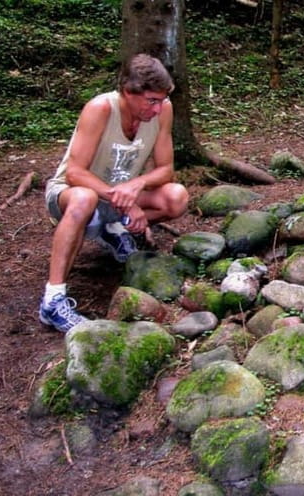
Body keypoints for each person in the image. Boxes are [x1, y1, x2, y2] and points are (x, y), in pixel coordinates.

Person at [39, 54, 189, 333]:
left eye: (161, 100)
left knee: (176, 197)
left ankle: (112, 230)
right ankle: (53, 300)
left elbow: (166, 170)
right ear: (128, 92)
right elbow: (75, 173)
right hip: (71, 194)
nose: (157, 108)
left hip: (119, 196)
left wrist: (136, 185)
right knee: (85, 198)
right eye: (151, 101)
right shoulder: (100, 109)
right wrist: (124, 201)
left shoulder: (163, 110)